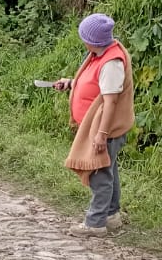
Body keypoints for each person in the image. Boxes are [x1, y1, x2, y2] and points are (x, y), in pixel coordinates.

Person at [52, 13, 135, 237]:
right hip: (98, 128)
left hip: (105, 129)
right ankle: (111, 215)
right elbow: (96, 85)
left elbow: (111, 101)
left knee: (99, 173)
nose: (82, 41)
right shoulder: (100, 54)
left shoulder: (112, 63)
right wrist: (71, 83)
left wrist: (101, 134)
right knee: (108, 169)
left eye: (84, 37)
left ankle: (95, 223)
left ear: (93, 40)